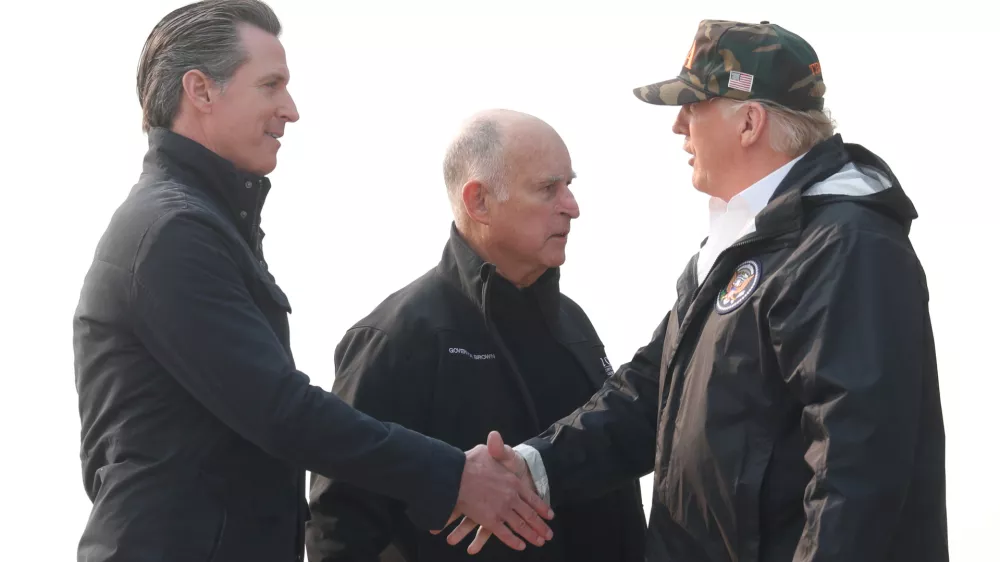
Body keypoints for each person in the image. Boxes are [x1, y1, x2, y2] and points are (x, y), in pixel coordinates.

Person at [448, 19, 949, 562]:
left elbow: (858, 466)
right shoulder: (739, 248)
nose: (679, 127)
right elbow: (648, 394)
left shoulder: (845, 246)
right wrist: (533, 466)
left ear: (749, 122)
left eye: (694, 105)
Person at [71, 3, 553, 562]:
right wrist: (452, 475)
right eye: (270, 85)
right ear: (200, 91)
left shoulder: (200, 224)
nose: (291, 110)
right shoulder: (172, 233)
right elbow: (281, 411)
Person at [305, 109, 648, 562]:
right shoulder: (396, 338)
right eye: (549, 188)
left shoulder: (574, 325)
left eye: (570, 184)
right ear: (479, 201)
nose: (572, 206)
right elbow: (338, 530)